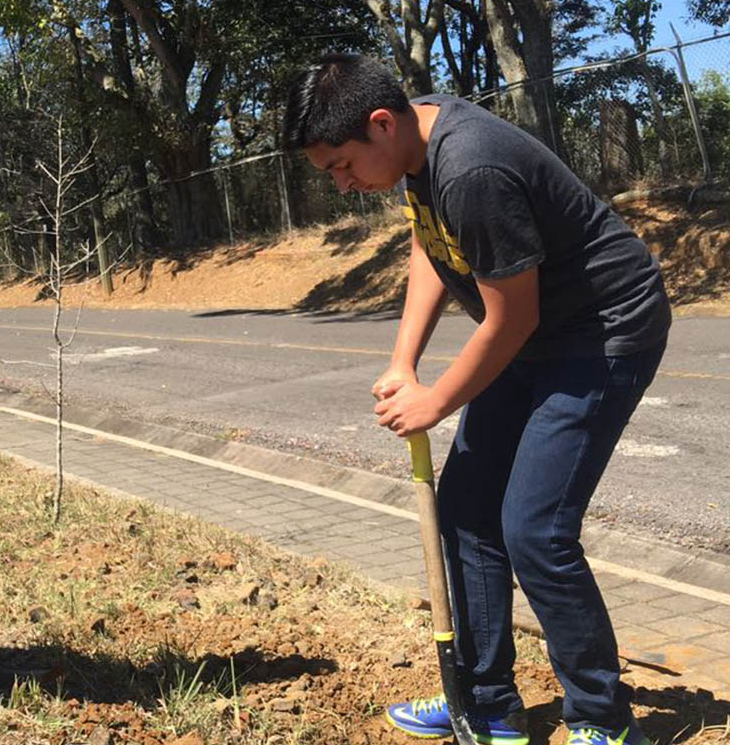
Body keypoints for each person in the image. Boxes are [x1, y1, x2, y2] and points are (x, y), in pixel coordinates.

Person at [284, 54, 670, 745]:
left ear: (380, 124)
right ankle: (488, 703)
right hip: (536, 335)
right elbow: (432, 245)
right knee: (466, 510)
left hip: (602, 333)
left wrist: (434, 403)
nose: (342, 185)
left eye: (340, 166)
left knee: (536, 530)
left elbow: (510, 320)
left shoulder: (472, 169)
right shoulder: (414, 145)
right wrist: (405, 360)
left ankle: (602, 721)